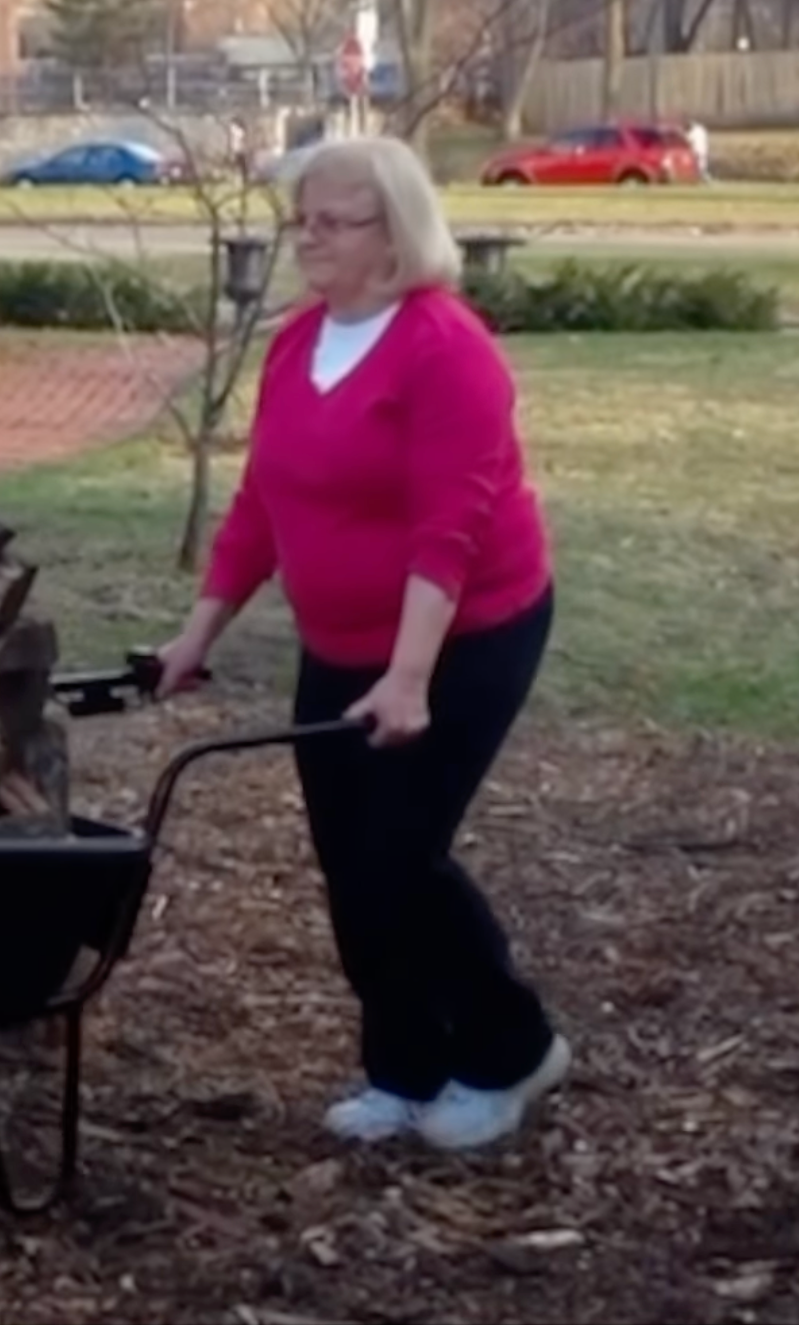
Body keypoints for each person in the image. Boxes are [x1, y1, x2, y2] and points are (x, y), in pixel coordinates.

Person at [156, 135, 568, 1153]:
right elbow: (262, 503)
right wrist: (195, 632)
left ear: (395, 234)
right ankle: (403, 1066)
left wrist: (411, 677)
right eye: (303, 218)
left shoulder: (446, 347)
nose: (309, 238)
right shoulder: (300, 342)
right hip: (341, 641)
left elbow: (452, 529)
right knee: (350, 863)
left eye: (332, 220)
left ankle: (512, 1052)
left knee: (399, 857)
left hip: (467, 637)